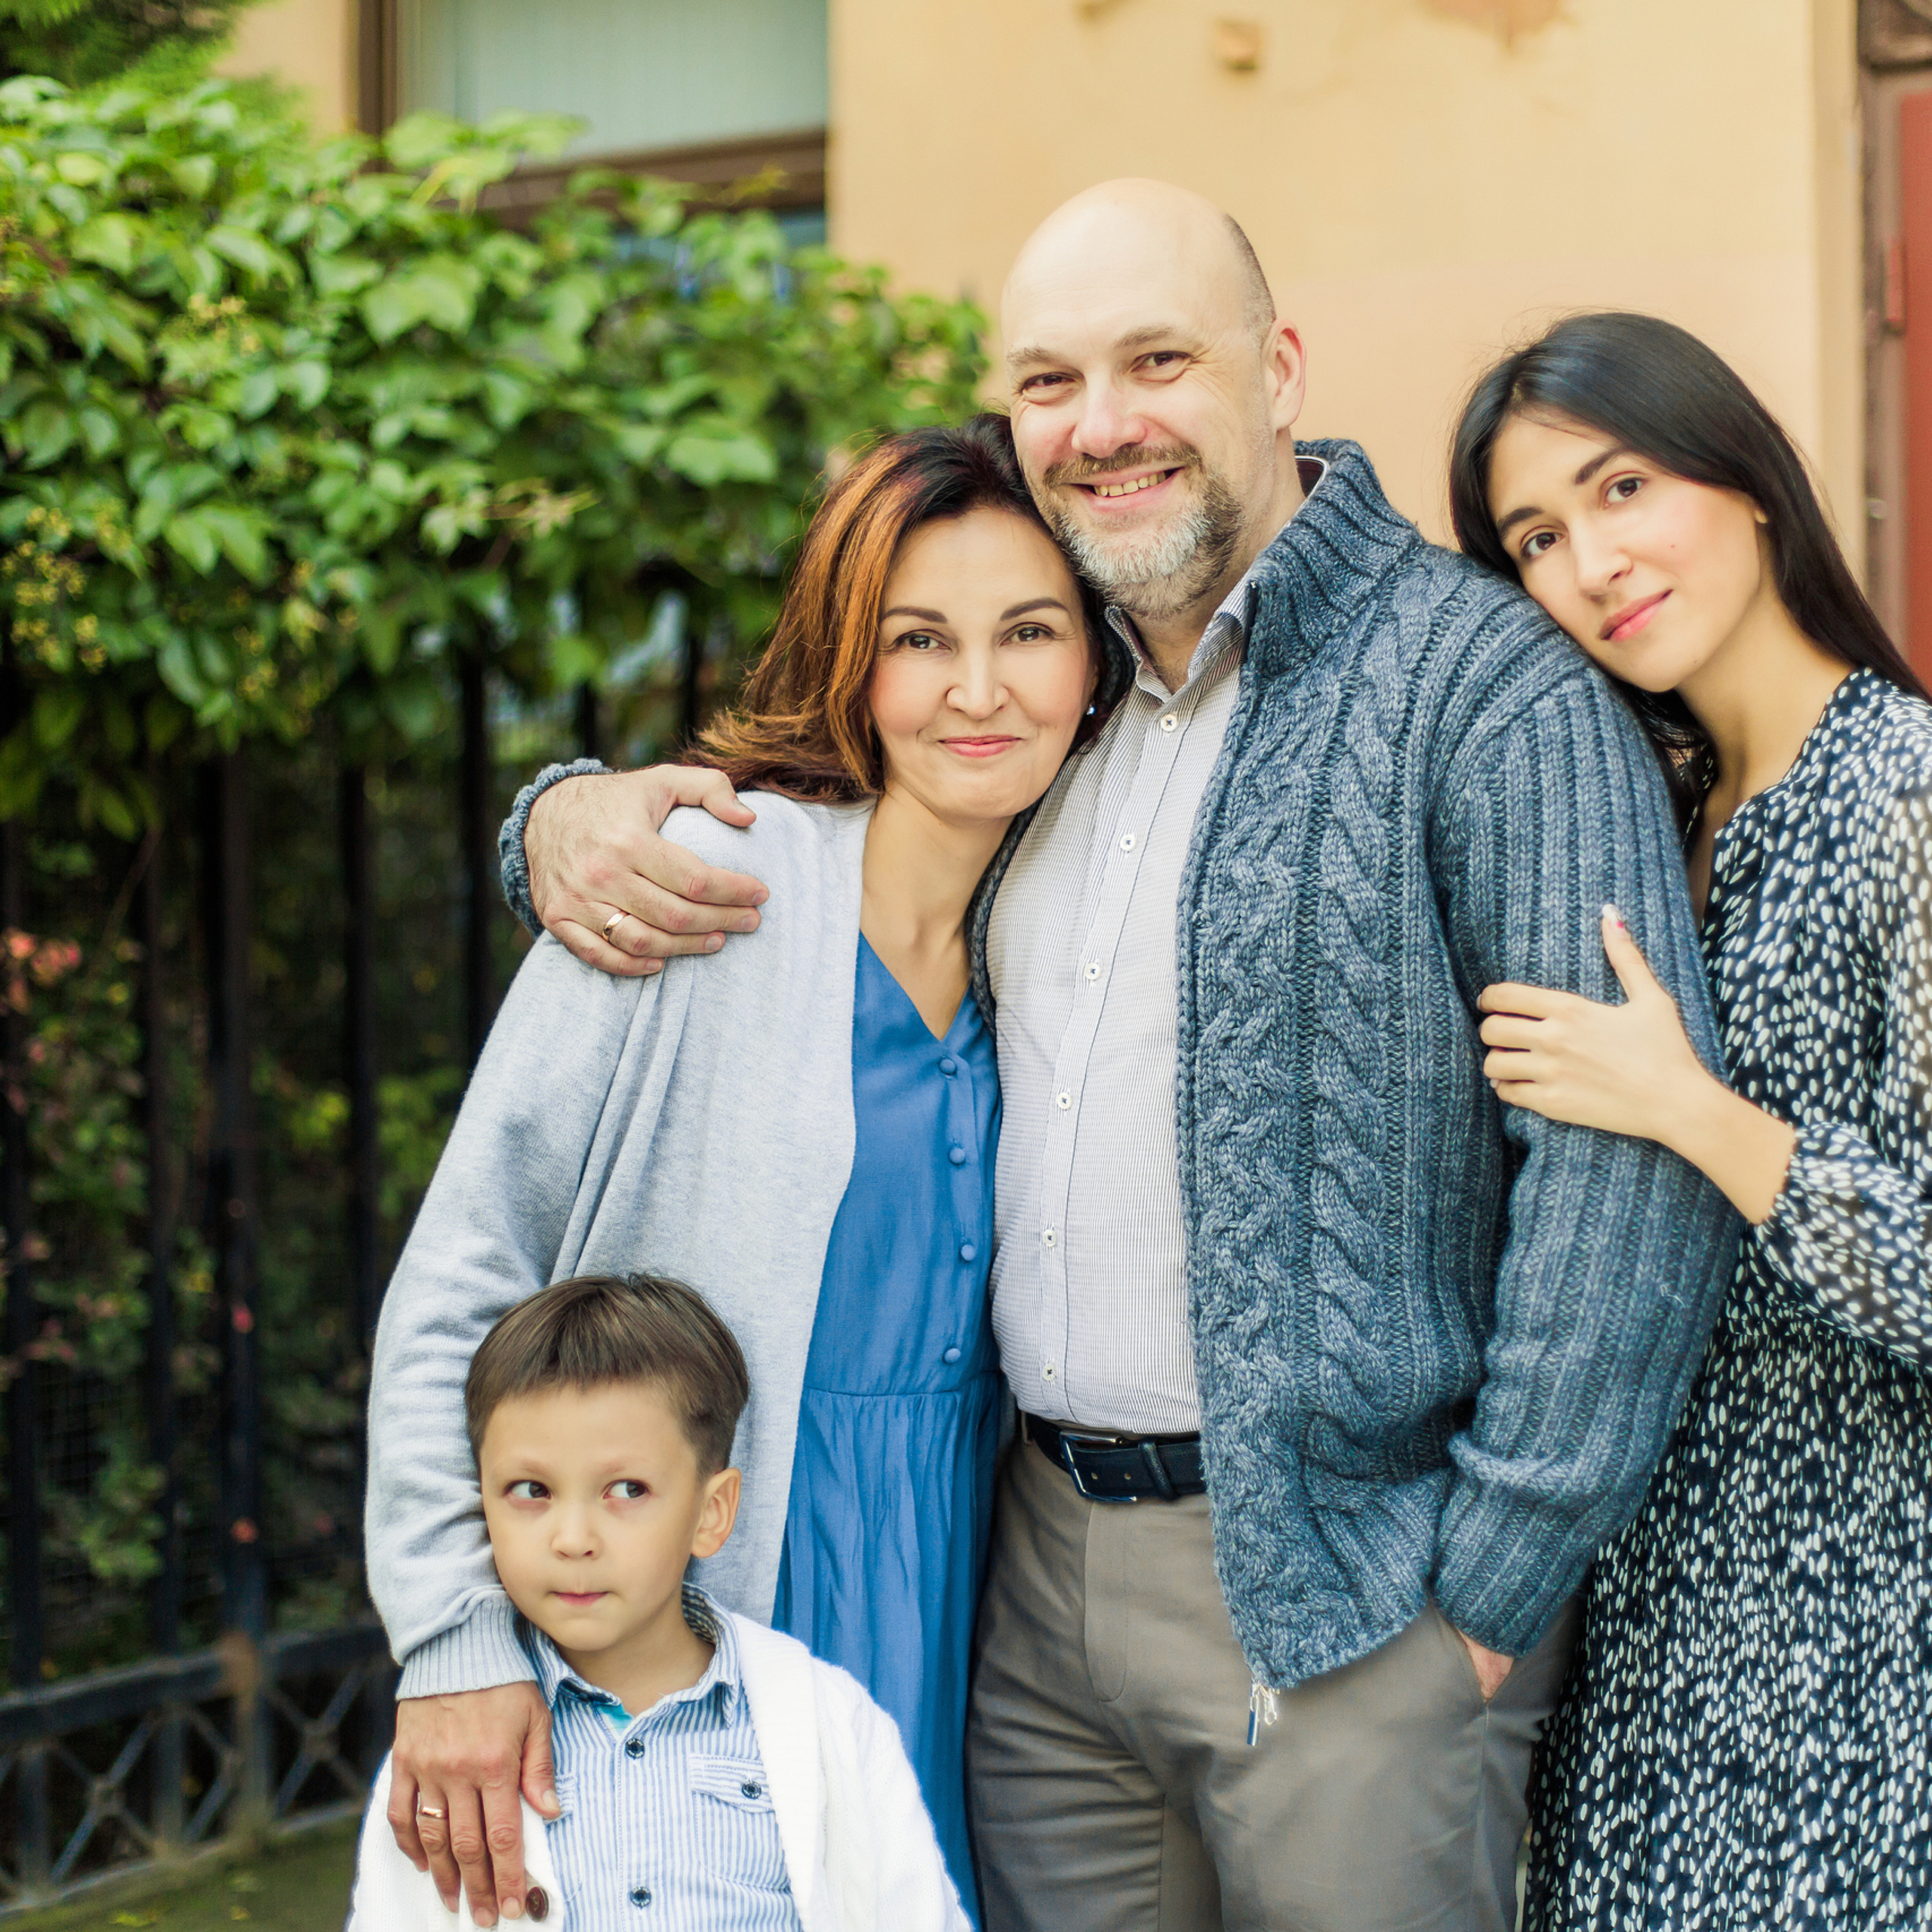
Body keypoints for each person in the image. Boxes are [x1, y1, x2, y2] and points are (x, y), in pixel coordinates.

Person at [491, 182, 1743, 1932]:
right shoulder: (1043, 689)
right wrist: (558, 813)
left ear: (1278, 366)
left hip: (1353, 1599)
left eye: (1156, 359)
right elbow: (799, 793)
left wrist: (1483, 1592)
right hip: (1036, 1584)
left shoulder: (1484, 687)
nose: (1100, 426)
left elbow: (1618, 1176)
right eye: (1048, 380)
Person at [365, 416, 1108, 1928]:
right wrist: (451, 1640)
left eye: (1028, 629)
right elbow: (463, 1276)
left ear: (1091, 659)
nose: (978, 688)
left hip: (951, 1592)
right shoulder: (703, 882)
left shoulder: (1059, 919)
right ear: (853, 663)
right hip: (714, 1579)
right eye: (919, 638)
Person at [1449, 309, 1932, 1929]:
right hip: (1648, 1605)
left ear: (1746, 482)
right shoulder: (1647, 814)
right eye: (1534, 533)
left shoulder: (1903, 798)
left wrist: (1686, 1109)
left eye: (1622, 487)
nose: (1589, 560)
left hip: (1858, 1620)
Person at [349, 1273, 969, 1931]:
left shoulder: (828, 1721)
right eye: (531, 1490)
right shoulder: (455, 1752)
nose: (573, 1539)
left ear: (712, 1511)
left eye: (627, 1489)